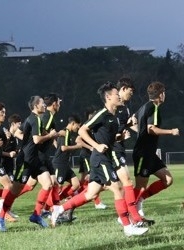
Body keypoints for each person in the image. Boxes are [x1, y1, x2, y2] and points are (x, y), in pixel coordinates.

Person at [51, 82, 149, 237]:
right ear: (108, 97)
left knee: (90, 194)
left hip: (106, 158)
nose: (118, 96)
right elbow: (83, 130)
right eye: (116, 94)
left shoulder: (114, 118)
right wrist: (96, 145)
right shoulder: (102, 114)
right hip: (100, 159)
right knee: (118, 188)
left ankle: (60, 209)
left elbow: (111, 138)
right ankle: (127, 226)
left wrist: (121, 136)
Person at [0, 96, 55, 231]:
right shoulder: (34, 119)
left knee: (48, 183)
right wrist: (51, 136)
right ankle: (0, 216)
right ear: (35, 106)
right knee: (15, 190)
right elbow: (37, 139)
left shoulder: (35, 119)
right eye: (42, 103)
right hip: (26, 159)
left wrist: (50, 135)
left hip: (35, 159)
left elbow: (23, 133)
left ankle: (36, 215)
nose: (44, 105)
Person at [133, 81, 180, 217]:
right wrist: (171, 131)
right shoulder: (153, 107)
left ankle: (140, 201)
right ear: (161, 94)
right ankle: (126, 213)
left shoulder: (144, 107)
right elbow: (151, 129)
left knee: (168, 180)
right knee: (140, 186)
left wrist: (138, 131)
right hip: (143, 152)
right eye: (164, 93)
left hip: (150, 153)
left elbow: (132, 120)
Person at [112, 77, 154, 226]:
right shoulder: (113, 107)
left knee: (93, 190)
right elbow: (110, 130)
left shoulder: (126, 108)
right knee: (127, 183)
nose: (132, 94)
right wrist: (120, 136)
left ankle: (61, 208)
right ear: (123, 89)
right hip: (112, 150)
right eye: (131, 91)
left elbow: (125, 125)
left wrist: (139, 130)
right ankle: (134, 218)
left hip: (120, 148)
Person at [52, 115, 82, 202]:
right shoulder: (66, 132)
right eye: (78, 125)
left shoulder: (65, 133)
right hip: (59, 163)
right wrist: (77, 146)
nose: (78, 128)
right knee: (58, 186)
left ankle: (59, 200)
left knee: (76, 184)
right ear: (73, 123)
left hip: (65, 164)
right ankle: (48, 208)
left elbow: (58, 146)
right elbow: (63, 148)